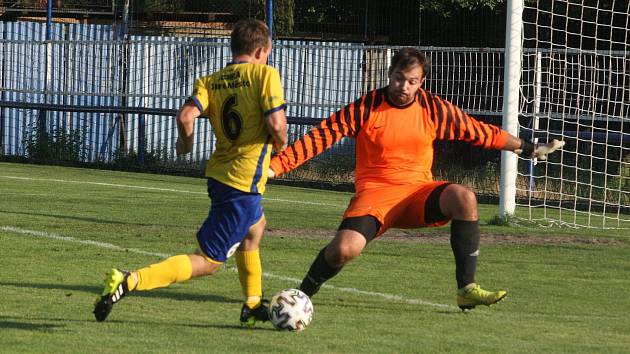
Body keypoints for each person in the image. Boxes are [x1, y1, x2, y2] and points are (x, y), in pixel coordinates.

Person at [268, 47, 563, 310]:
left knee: (464, 197)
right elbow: (321, 137)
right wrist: (275, 167)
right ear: (389, 74)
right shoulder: (366, 107)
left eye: (412, 81)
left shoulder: (433, 108)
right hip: (376, 196)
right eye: (399, 78)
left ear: (421, 82)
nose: (403, 87)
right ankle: (301, 297)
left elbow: (479, 131)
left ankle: (466, 289)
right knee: (343, 250)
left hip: (417, 193)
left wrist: (528, 148)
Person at [93, 18, 288, 325]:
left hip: (220, 175)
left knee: (256, 228)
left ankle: (251, 305)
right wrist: (281, 144)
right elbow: (277, 124)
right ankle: (130, 281)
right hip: (243, 181)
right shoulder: (266, 75)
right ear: (262, 51)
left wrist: (185, 146)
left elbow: (185, 117)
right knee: (208, 261)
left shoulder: (210, 81)